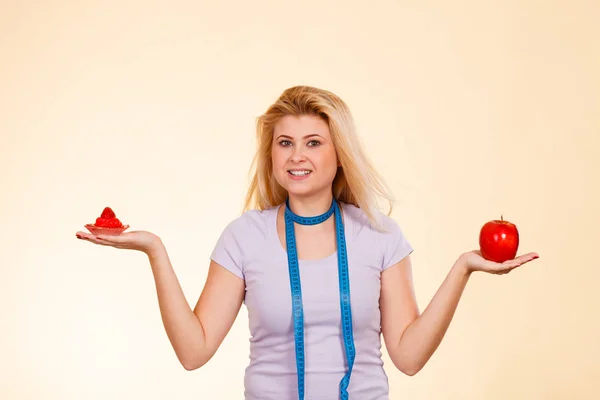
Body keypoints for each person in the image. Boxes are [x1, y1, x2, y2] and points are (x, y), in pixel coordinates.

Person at [75, 85, 539, 400]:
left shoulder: (379, 235)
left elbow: (409, 358)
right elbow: (193, 353)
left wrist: (463, 268)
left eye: (314, 142)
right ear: (271, 153)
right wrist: (154, 249)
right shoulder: (244, 237)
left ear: (340, 155)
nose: (297, 156)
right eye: (284, 143)